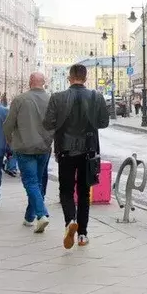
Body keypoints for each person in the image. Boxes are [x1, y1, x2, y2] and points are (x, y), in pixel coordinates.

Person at [44, 63, 110, 249]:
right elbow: (104, 122)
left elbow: (48, 123)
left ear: (69, 78)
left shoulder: (57, 97)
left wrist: (60, 123)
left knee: (65, 189)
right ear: (85, 77)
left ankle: (70, 221)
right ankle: (82, 234)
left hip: (65, 150)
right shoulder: (96, 97)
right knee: (83, 191)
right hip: (88, 150)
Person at [4, 72, 54, 231]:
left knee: (31, 183)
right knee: (37, 183)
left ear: (30, 82)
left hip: (24, 147)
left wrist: (10, 141)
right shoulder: (51, 100)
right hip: (44, 148)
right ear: (44, 83)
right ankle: (29, 217)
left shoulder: (20, 100)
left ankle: (41, 214)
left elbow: (8, 125)